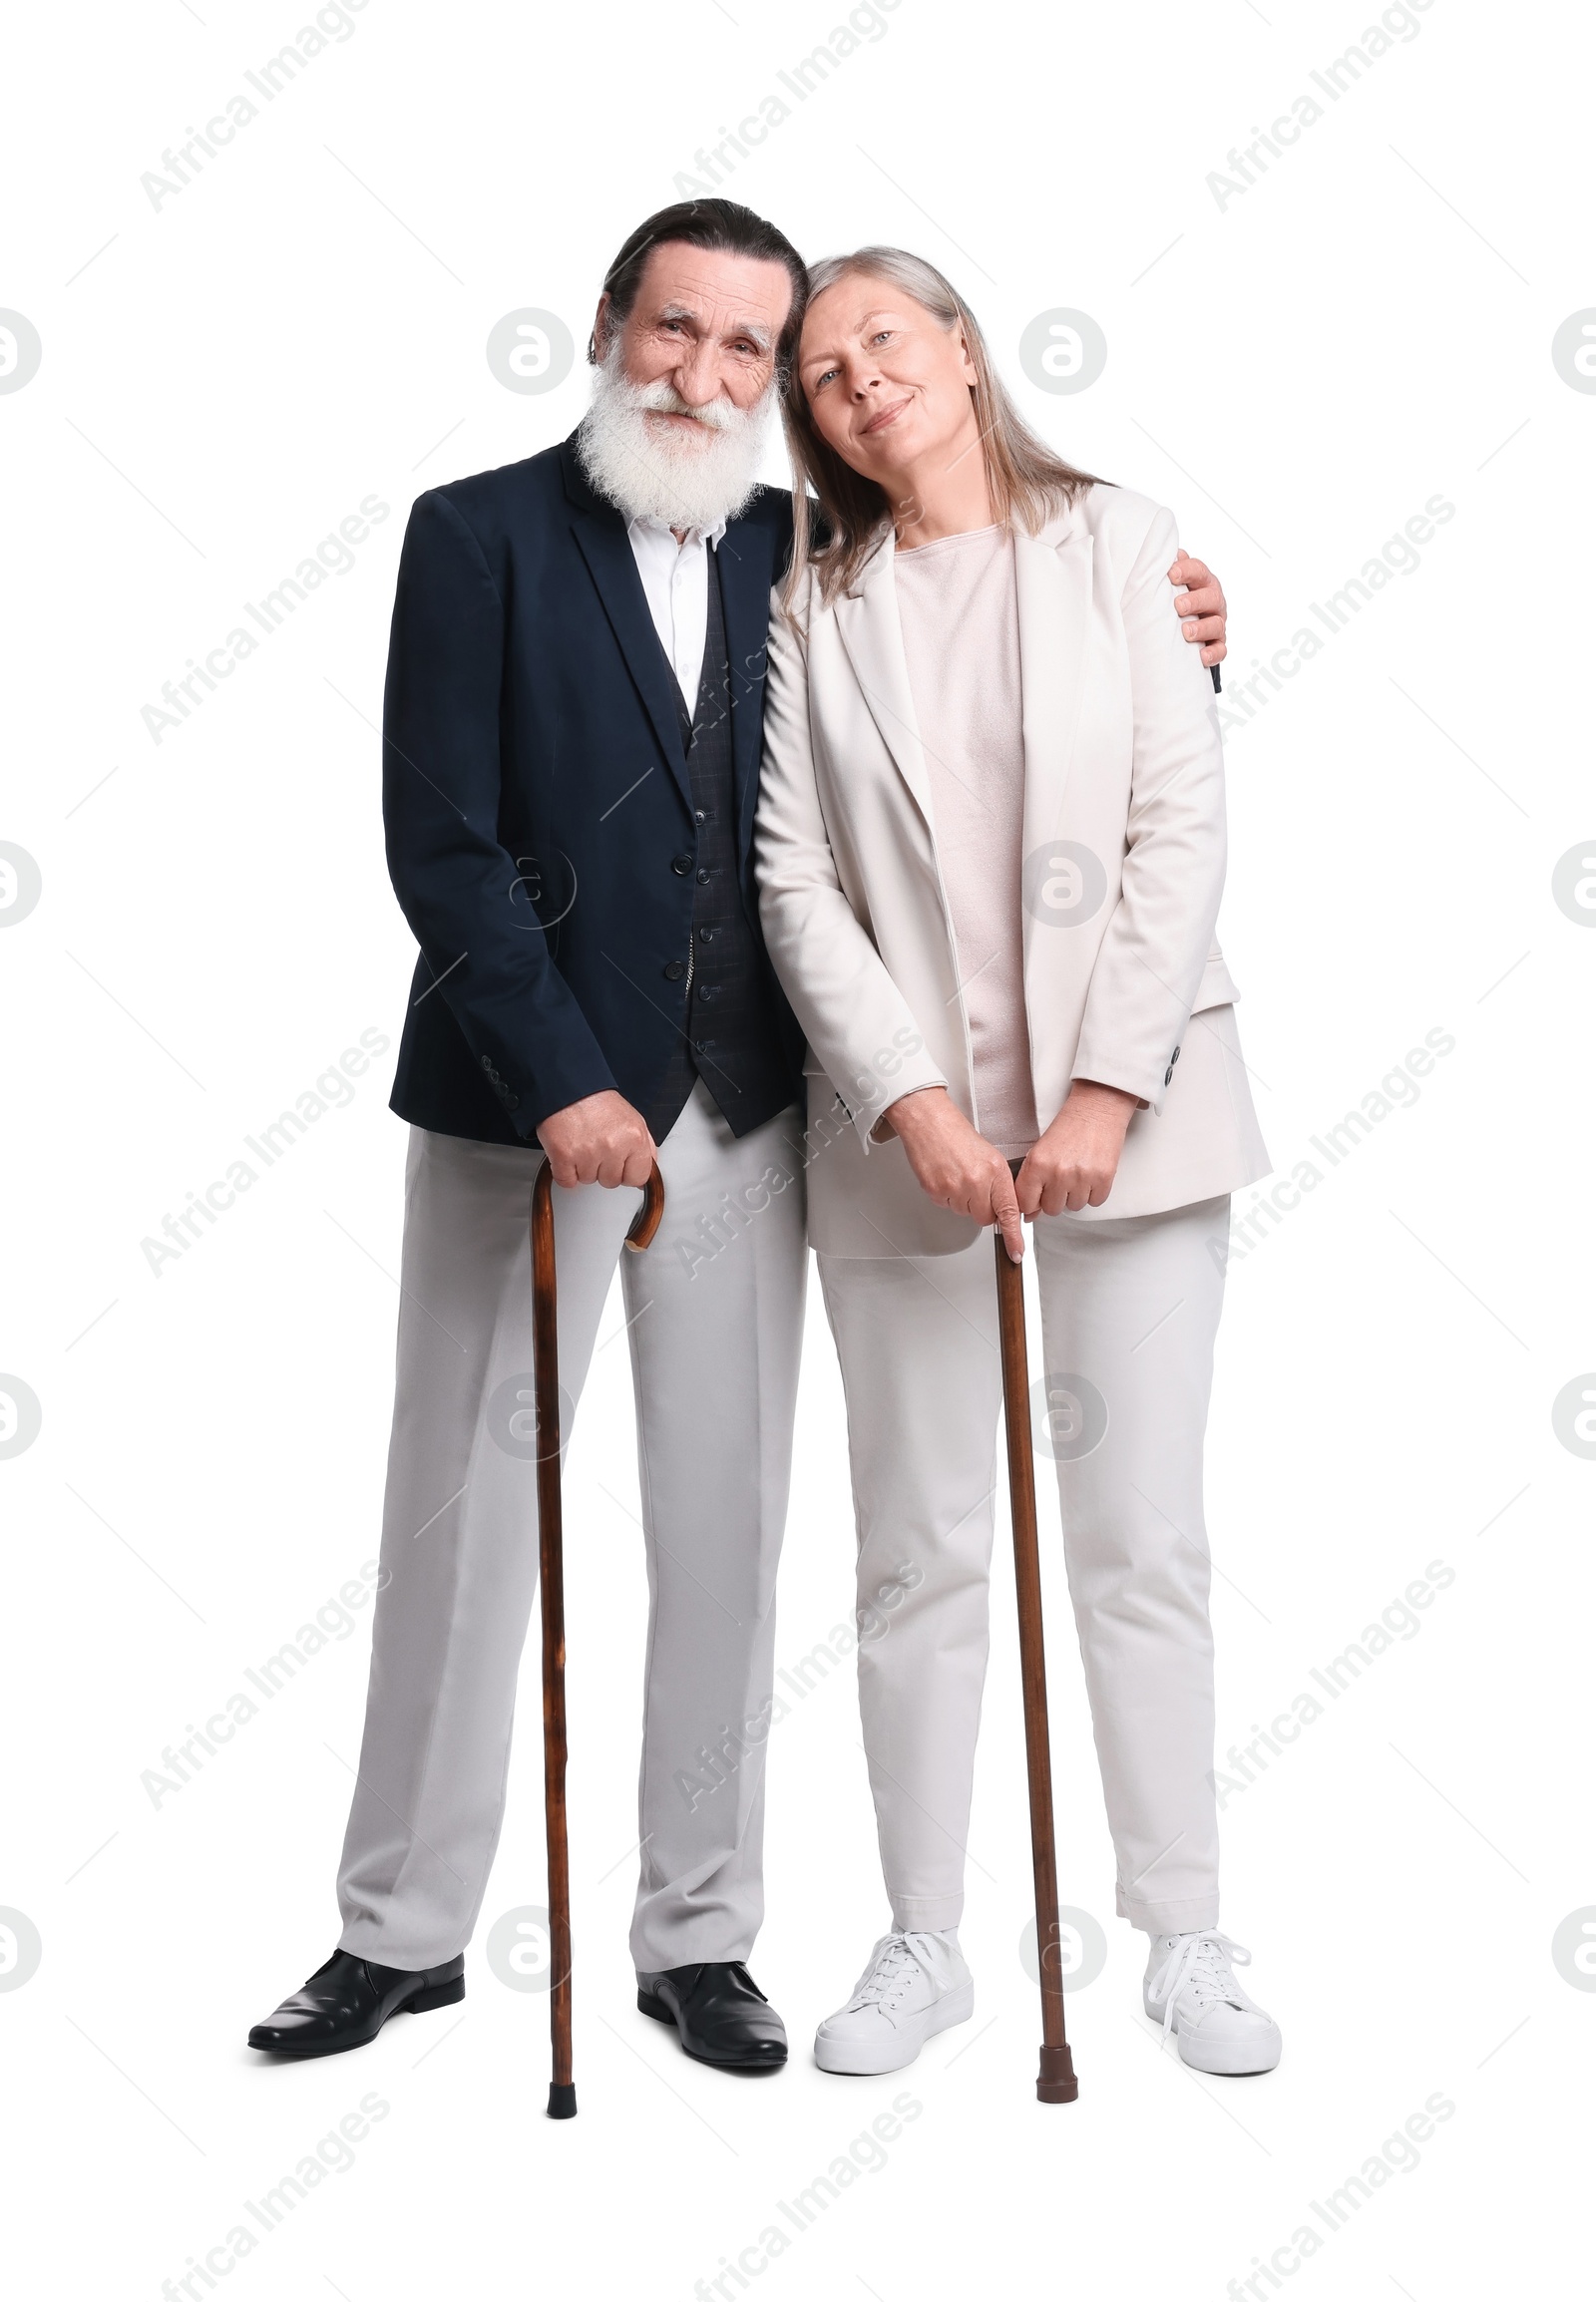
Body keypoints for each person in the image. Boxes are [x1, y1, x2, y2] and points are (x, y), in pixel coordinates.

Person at [246, 203, 1230, 2076]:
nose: (705, 375)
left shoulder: (807, 542)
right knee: (460, 1519)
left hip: (748, 1104)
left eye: (745, 352)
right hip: (518, 1103)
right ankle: (400, 1930)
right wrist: (556, 1079)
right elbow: (440, 841)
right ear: (606, 325)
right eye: (673, 330)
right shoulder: (476, 537)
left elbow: (991, 702)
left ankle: (699, 1934)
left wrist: (1196, 620)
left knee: (728, 1526)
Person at [755, 246, 1280, 2081]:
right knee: (915, 1551)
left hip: (1130, 1122)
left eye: (883, 340)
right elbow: (791, 876)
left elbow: (1177, 817)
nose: (858, 381)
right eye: (820, 374)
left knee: (1140, 1536)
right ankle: (922, 1938)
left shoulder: (1127, 548)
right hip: (907, 1149)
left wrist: (1099, 1100)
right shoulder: (812, 606)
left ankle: (1185, 1925)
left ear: (965, 352)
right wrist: (911, 1101)